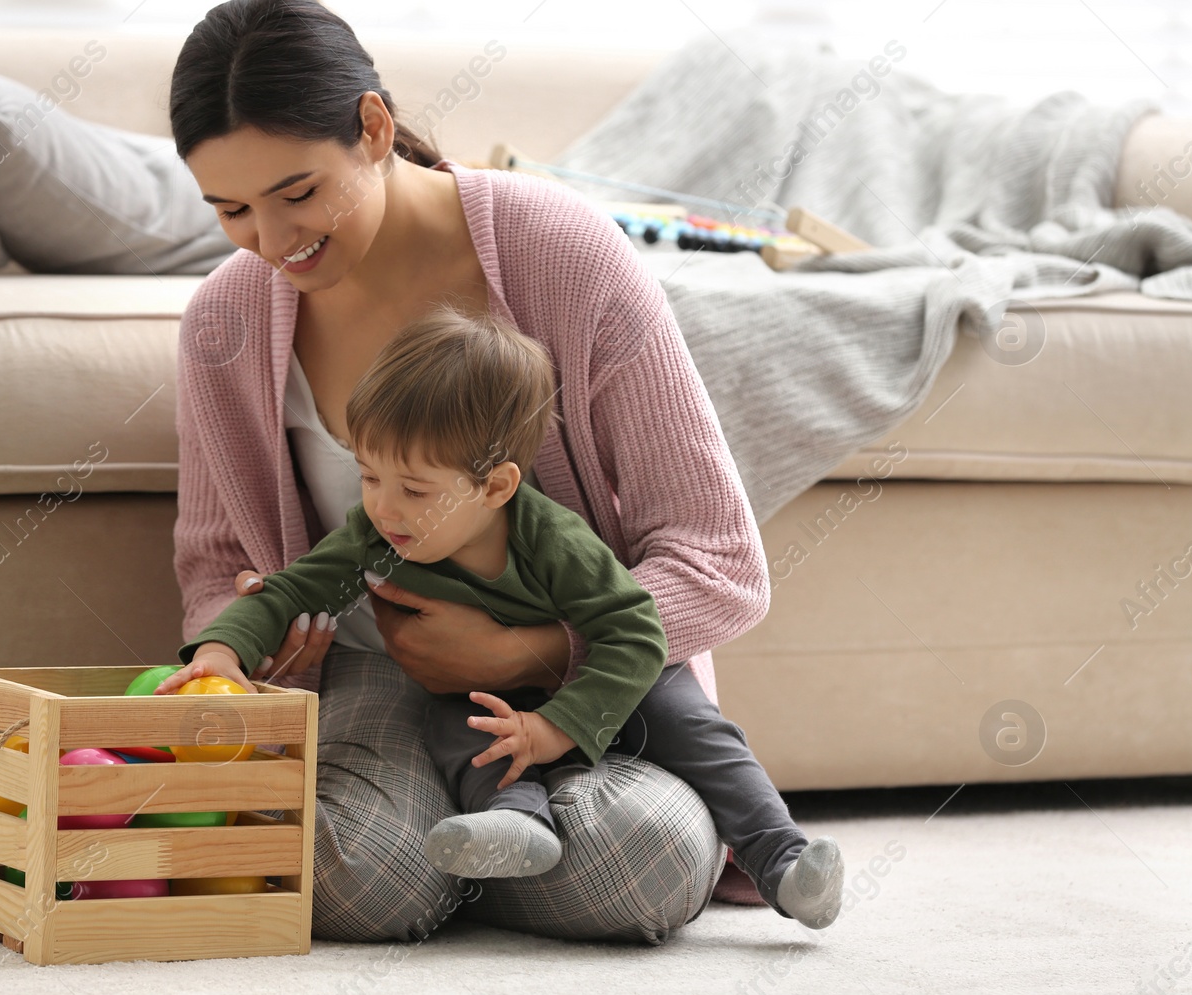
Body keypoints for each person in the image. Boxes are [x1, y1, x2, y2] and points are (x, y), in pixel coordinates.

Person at [169, 0, 783, 943]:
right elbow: (216, 564)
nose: (271, 240)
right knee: (357, 882)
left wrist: (534, 651)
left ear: (374, 128)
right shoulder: (226, 321)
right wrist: (249, 647)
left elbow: (718, 556)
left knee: (646, 860)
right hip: (366, 686)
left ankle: (455, 853)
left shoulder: (562, 254)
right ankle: (459, 856)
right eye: (231, 210)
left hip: (571, 694)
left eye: (297, 193)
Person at [155, 305, 845, 928]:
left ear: (496, 486)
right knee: (462, 725)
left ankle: (782, 860)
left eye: (414, 488)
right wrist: (222, 652)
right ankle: (515, 823)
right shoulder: (376, 533)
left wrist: (557, 726)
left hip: (611, 680)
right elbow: (285, 592)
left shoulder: (555, 540)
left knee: (698, 728)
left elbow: (638, 633)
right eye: (368, 476)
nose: (383, 506)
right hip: (484, 694)